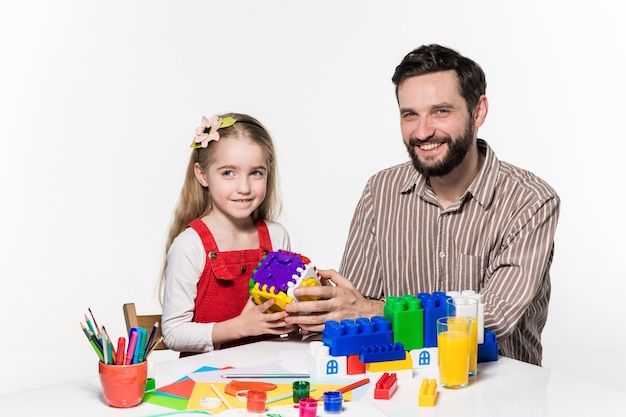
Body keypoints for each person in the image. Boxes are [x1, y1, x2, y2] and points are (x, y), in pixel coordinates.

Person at [284, 44, 560, 366]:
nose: (422, 131)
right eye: (409, 114)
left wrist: (373, 309)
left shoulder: (530, 201)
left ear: (478, 111)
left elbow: (491, 319)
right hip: (401, 384)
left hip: (499, 389)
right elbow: (353, 310)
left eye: (441, 111)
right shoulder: (380, 192)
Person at [161, 112, 294, 354]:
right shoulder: (189, 246)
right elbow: (173, 333)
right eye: (228, 173)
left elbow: (283, 314)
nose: (244, 188)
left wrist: (306, 306)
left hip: (267, 373)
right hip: (204, 380)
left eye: (256, 173)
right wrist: (240, 327)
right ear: (202, 175)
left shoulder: (277, 236)